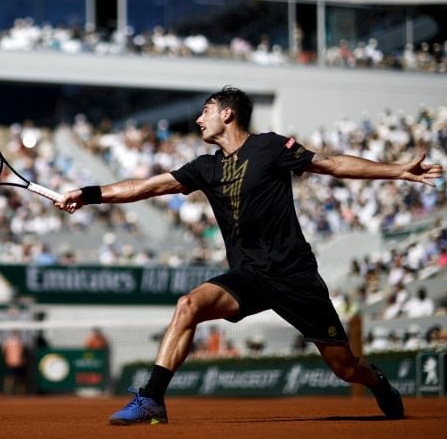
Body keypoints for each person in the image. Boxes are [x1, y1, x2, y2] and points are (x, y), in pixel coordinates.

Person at [55, 86, 441, 424]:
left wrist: (398, 171)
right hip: (250, 276)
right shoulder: (205, 168)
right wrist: (87, 194)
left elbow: (333, 164)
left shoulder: (271, 147)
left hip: (295, 275)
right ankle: (152, 398)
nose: (197, 119)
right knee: (188, 304)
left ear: (227, 113)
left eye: (204, 111)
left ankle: (375, 379)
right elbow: (145, 187)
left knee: (344, 367)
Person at [1, 330, 27, 395]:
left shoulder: (20, 342)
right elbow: (3, 351)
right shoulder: (8, 342)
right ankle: (8, 391)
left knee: (20, 378)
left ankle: (20, 392)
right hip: (11, 363)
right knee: (10, 378)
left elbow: (23, 352)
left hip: (19, 363)